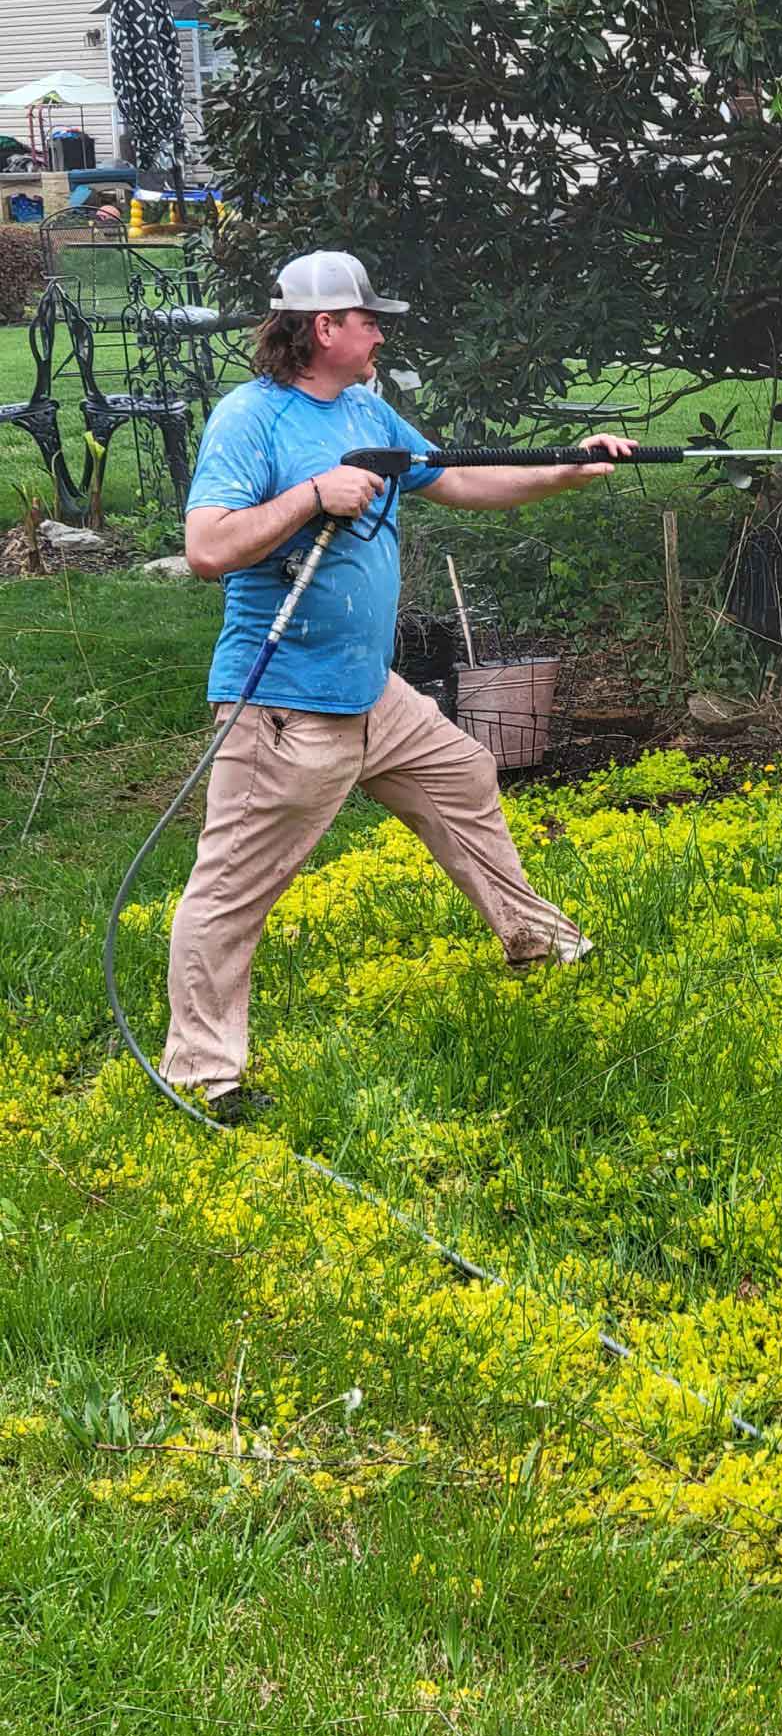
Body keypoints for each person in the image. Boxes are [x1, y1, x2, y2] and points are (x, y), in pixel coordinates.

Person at [159, 249, 634, 1125]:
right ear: (323, 328)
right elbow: (208, 549)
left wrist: (570, 468)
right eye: (370, 318)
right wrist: (313, 494)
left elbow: (455, 478)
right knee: (231, 889)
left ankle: (535, 940)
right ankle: (202, 1074)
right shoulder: (250, 421)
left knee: (464, 775)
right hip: (284, 703)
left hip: (367, 692)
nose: (382, 330)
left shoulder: (366, 407)